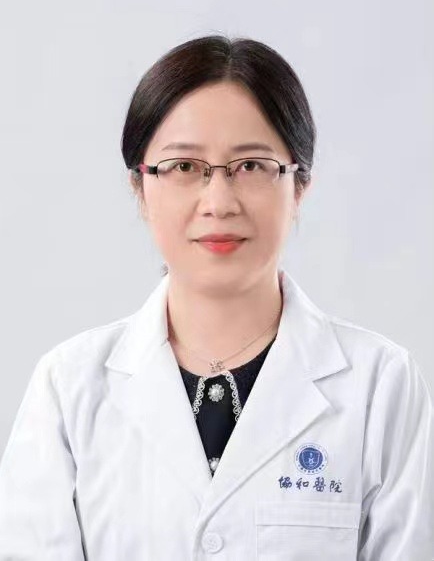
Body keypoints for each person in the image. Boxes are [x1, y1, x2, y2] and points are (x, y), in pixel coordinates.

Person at [0, 34, 432, 561]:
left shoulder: (381, 386)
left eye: (251, 166)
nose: (219, 202)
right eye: (184, 167)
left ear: (300, 185)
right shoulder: (67, 388)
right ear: (140, 187)